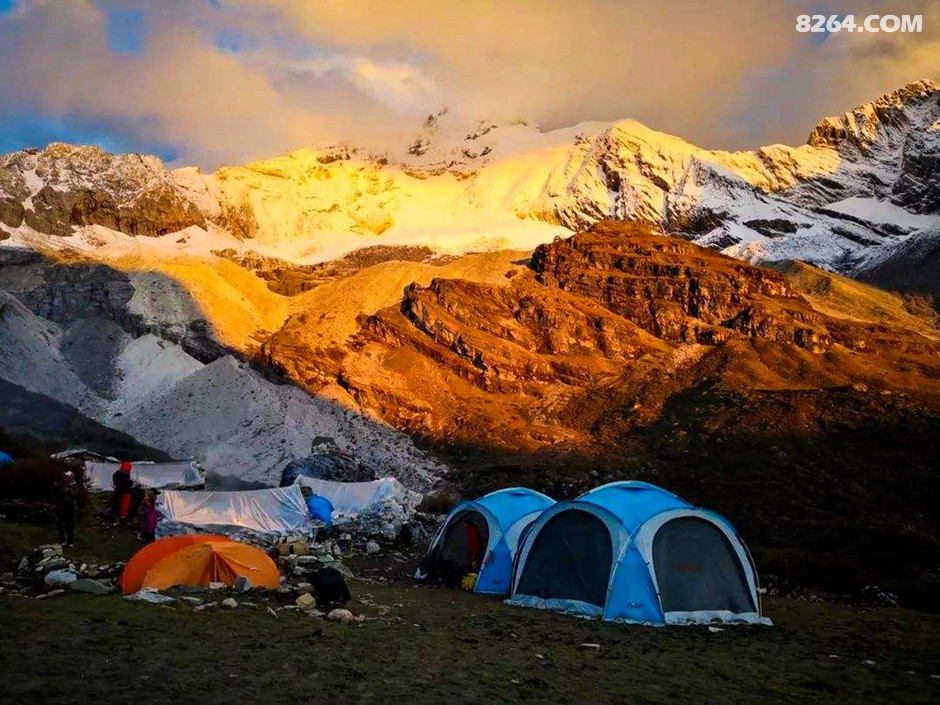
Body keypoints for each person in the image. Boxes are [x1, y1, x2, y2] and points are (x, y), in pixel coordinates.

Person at [54, 470, 78, 547]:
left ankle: (70, 541)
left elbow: (75, 495)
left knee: (70, 526)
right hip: (61, 507)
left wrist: (67, 490)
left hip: (70, 508)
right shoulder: (62, 484)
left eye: (67, 477)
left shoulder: (74, 485)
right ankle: (62, 540)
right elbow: (58, 495)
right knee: (60, 525)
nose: (65, 478)